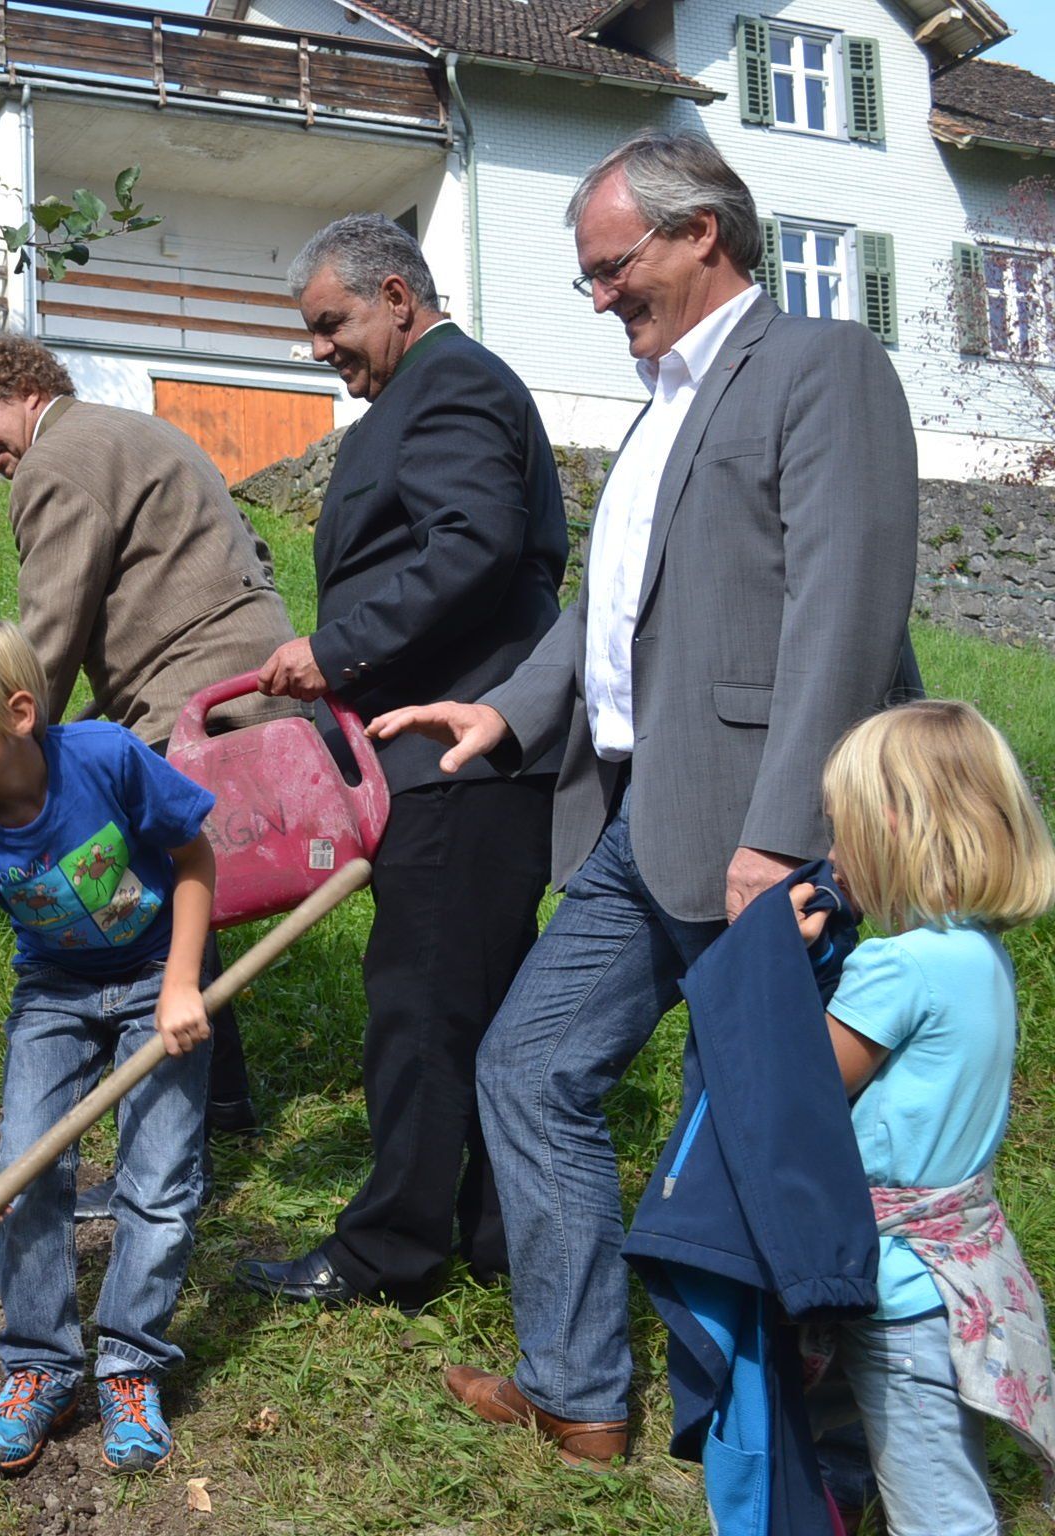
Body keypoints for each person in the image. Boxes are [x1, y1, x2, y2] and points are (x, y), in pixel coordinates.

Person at [370, 131, 920, 1466]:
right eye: (591, 278)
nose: (601, 296)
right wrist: (509, 707)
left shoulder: (822, 364)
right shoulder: (663, 400)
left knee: (766, 1136)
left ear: (701, 234)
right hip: (643, 816)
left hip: (767, 831)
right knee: (530, 1066)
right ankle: (579, 1390)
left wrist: (781, 834)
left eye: (612, 267)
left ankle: (818, 1448)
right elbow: (616, 606)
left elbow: (845, 609)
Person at [234, 213, 565, 1309]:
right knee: (470, 1003)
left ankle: (390, 1254)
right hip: (447, 758)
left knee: (422, 1005)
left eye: (331, 323)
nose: (319, 347)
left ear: (395, 295)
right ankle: (494, 1234)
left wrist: (335, 651)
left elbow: (473, 543)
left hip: (457, 753)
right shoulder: (428, 392)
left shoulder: (451, 384)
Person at [0, 332, 297, 1213]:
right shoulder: (129, 427)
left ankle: (169, 1141)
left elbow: (42, 643)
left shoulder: (54, 466)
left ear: (24, 388)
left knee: (130, 889)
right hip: (249, 670)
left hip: (200, 698)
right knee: (161, 877)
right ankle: (225, 1099)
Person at [0, 612, 216, 1477]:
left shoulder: (107, 759)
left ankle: (130, 1366)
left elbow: (195, 860)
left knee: (160, 1181)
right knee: (23, 1175)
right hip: (56, 993)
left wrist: (183, 982)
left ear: (17, 714)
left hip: (158, 974)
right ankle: (42, 1366)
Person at [794, 701, 1055, 1535]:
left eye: (843, 831)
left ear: (896, 827)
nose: (835, 857)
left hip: (901, 1288)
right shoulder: (977, 954)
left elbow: (801, 1088)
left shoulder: (898, 967)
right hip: (958, 1269)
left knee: (942, 1514)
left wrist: (784, 965)